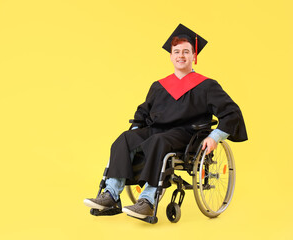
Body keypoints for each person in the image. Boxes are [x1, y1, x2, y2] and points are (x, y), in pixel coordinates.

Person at [83, 24, 248, 220]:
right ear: (170, 56)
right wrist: (136, 133)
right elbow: (143, 112)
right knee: (125, 139)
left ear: (194, 56)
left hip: (186, 135)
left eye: (186, 51)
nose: (181, 55)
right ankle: (111, 193)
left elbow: (232, 112)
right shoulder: (159, 86)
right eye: (176, 52)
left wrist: (215, 136)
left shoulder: (207, 86)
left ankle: (148, 200)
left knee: (158, 141)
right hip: (156, 131)